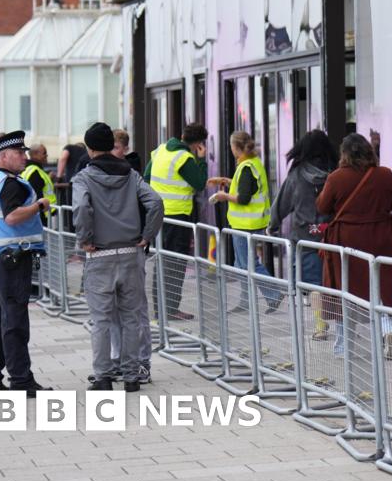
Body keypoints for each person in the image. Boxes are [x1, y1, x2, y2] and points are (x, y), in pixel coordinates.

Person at [72, 123, 164, 392]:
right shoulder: (131, 174)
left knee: (101, 320)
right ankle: (132, 377)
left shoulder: (83, 178)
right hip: (130, 254)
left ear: (90, 149)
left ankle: (103, 377)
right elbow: (156, 203)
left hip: (99, 255)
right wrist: (147, 234)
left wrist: (84, 238)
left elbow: (81, 207)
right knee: (131, 318)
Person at [316, 133, 392, 358]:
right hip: (382, 238)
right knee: (384, 288)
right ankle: (388, 331)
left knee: (346, 290)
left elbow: (323, 207)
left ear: (344, 154)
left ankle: (344, 347)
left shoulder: (336, 178)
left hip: (347, 241)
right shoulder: (384, 174)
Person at [0, 131, 51, 397]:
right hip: (13, 258)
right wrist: (39, 206)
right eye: (19, 153)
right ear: (4, 156)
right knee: (15, 321)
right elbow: (11, 217)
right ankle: (21, 380)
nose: (24, 157)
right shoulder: (9, 184)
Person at [267, 129, 336, 337]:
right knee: (336, 280)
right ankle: (345, 328)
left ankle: (320, 325)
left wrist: (272, 226)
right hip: (331, 234)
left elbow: (282, 203)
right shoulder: (335, 172)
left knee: (313, 284)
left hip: (306, 236)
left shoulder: (297, 175)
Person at [208, 131, 281, 313]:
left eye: (231, 146)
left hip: (245, 224)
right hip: (251, 222)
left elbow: (243, 198)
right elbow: (246, 188)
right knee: (242, 264)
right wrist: (227, 181)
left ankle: (274, 294)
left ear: (236, 148)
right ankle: (245, 301)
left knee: (248, 264)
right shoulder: (253, 163)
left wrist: (223, 196)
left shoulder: (246, 167)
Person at [142, 123, 209, 321]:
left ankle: (161, 309)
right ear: (198, 144)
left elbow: (147, 177)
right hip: (177, 216)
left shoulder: (160, 150)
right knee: (176, 263)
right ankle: (170, 309)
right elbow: (200, 183)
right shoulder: (185, 158)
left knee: (161, 261)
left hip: (158, 215)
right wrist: (202, 160)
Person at [23, 145, 58, 216]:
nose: (46, 155)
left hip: (46, 213)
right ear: (35, 155)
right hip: (43, 215)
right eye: (44, 153)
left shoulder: (35, 169)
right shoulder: (34, 172)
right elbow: (36, 198)